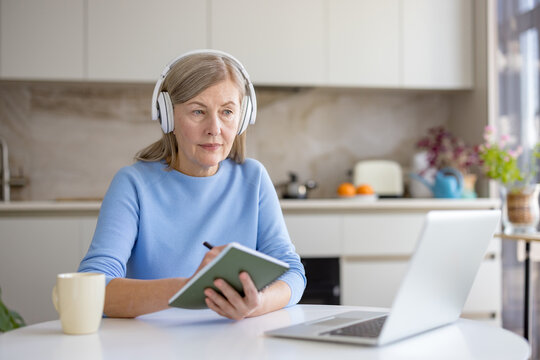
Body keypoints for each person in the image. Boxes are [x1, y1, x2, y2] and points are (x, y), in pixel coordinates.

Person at [78, 50, 306, 320]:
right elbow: (92, 288)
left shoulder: (253, 178)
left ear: (242, 119)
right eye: (198, 111)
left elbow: (292, 272)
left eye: (227, 112)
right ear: (168, 117)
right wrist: (192, 289)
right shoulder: (133, 184)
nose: (214, 128)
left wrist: (258, 303)